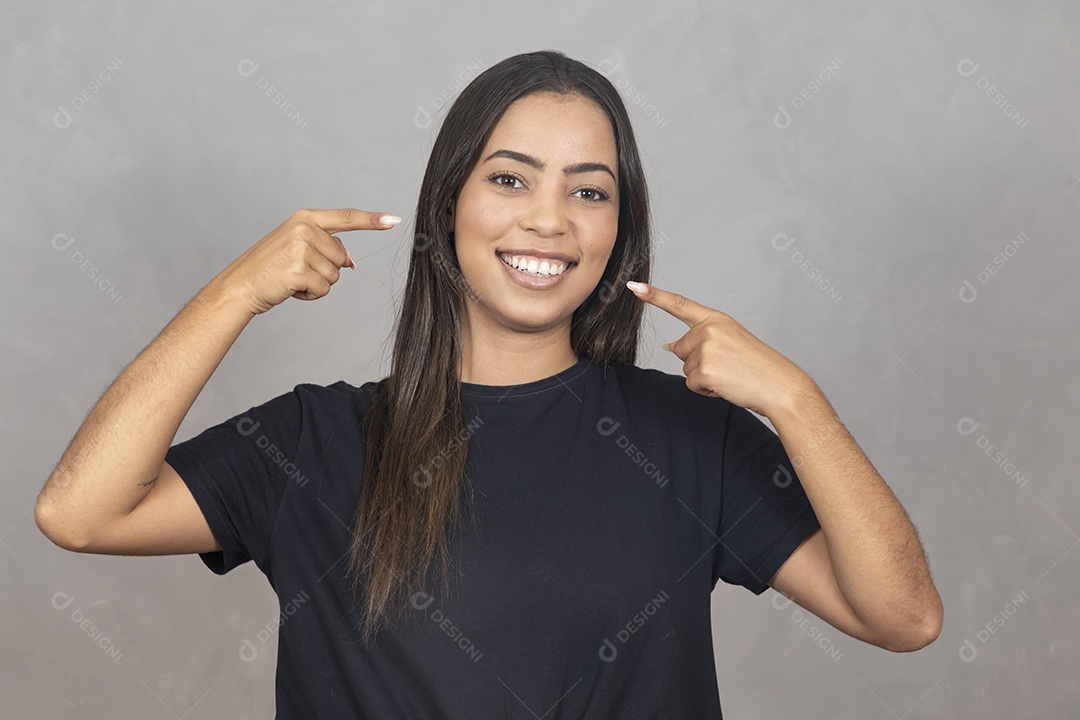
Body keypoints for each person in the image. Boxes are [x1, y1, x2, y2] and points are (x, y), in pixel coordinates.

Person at [35, 49, 942, 718]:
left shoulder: (691, 438)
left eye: (590, 192)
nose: (548, 221)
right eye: (510, 179)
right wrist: (233, 294)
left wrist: (795, 399)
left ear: (618, 232)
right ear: (449, 208)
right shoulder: (312, 444)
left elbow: (903, 617)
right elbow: (80, 512)